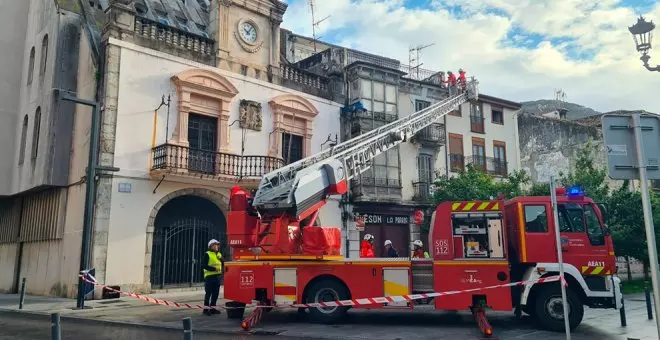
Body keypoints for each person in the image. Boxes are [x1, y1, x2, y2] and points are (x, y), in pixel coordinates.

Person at [202, 239, 224, 316]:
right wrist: (214, 269)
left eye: (217, 245)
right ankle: (206, 309)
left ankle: (213, 309)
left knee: (215, 294)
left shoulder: (218, 255)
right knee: (208, 293)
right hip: (209, 277)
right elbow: (204, 265)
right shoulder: (207, 254)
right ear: (211, 246)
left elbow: (222, 264)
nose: (217, 246)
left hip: (217, 277)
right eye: (215, 244)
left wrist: (221, 259)